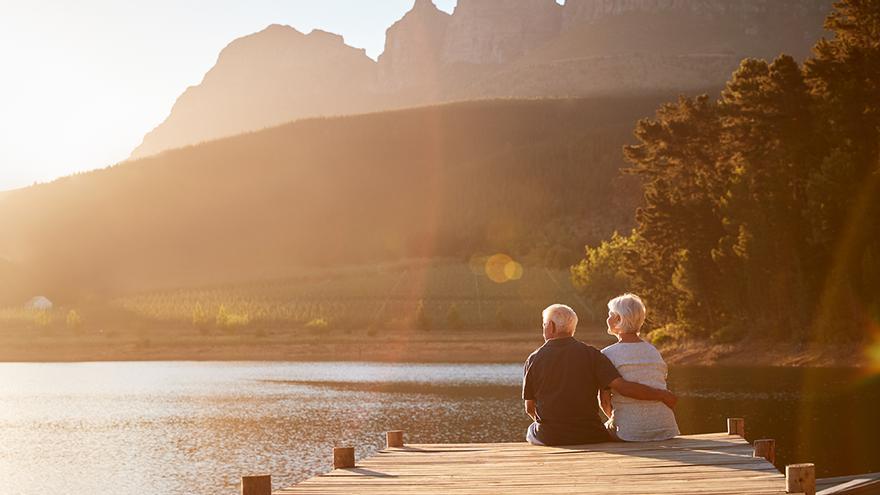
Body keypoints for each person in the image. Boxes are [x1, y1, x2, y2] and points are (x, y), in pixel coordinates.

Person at [523, 303, 676, 446]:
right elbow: (621, 386)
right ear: (572, 328)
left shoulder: (534, 359)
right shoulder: (593, 355)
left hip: (551, 436)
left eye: (544, 324)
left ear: (550, 327)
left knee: (531, 431)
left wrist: (554, 427)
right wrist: (661, 394)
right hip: (590, 434)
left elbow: (530, 408)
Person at [600, 293, 680, 441]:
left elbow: (604, 402)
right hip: (665, 428)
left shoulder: (607, 354)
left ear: (619, 319)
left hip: (629, 432)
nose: (607, 319)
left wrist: (619, 419)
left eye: (610, 315)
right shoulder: (653, 351)